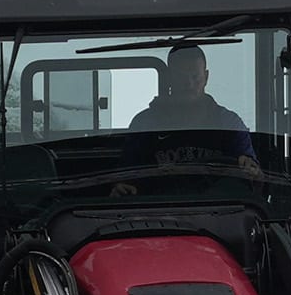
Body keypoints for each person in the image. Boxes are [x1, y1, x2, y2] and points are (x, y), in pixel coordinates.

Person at [111, 44, 260, 192]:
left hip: (219, 211)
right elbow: (127, 176)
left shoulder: (229, 123)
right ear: (169, 78)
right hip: (155, 210)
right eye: (181, 77)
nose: (189, 84)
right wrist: (121, 188)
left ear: (206, 77)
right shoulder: (145, 124)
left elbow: (251, 172)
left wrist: (249, 167)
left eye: (195, 77)